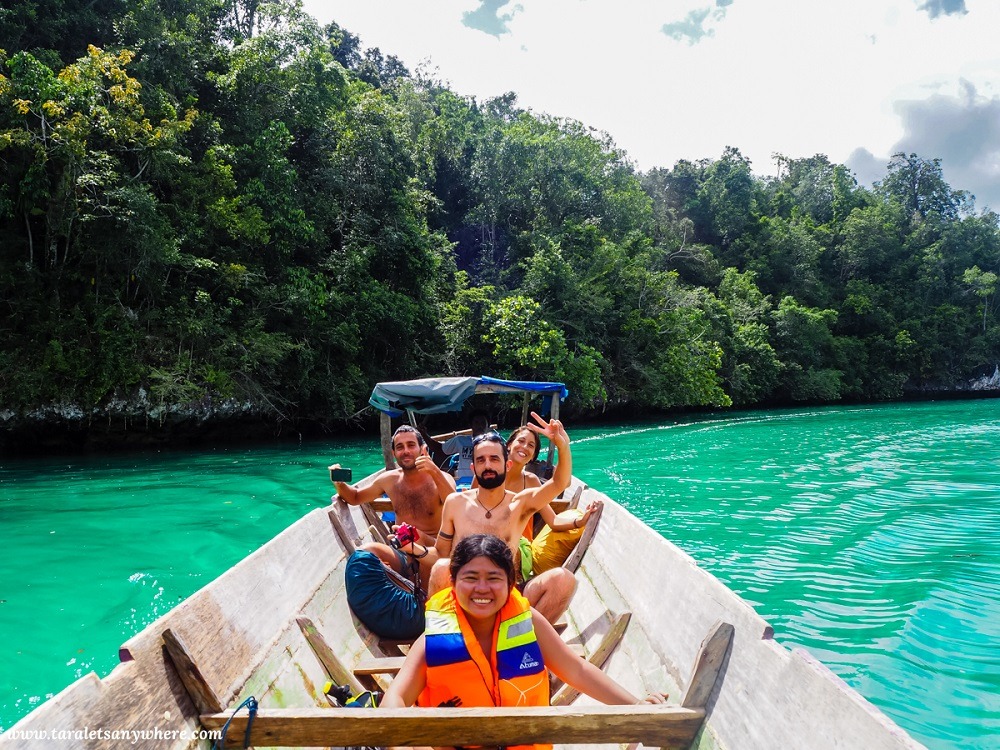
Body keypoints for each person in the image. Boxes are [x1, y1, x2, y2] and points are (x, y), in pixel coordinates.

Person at [381, 534, 668, 724]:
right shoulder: (434, 638)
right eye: (471, 578)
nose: (482, 588)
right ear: (453, 583)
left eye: (494, 578)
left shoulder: (529, 621)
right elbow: (395, 699)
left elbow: (577, 671)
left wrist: (636, 705)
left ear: (510, 584)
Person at [430, 413, 578, 623]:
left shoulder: (520, 504)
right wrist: (413, 549)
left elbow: (560, 483)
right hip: (463, 594)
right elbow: (440, 553)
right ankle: (447, 634)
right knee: (440, 568)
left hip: (506, 594)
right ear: (473, 468)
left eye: (494, 459)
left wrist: (562, 446)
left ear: (506, 465)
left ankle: (521, 637)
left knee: (564, 580)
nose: (488, 465)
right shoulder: (455, 503)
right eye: (481, 460)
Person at [332, 425, 455, 595]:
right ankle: (400, 589)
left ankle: (422, 598)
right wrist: (339, 483)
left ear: (423, 449)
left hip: (435, 552)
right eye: (400, 447)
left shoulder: (441, 478)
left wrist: (434, 470)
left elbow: (456, 505)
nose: (406, 451)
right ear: (394, 453)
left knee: (416, 535)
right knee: (366, 553)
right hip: (402, 550)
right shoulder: (389, 480)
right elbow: (355, 497)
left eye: (411, 445)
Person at [502, 426, 603, 579]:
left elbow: (553, 520)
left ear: (533, 455)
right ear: (509, 445)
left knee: (503, 549)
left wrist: (581, 521)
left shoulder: (531, 482)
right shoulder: (488, 475)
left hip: (517, 549)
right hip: (487, 541)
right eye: (521, 441)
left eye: (531, 445)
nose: (525, 447)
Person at [422, 410, 491, 486]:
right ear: (471, 425)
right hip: (464, 483)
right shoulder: (460, 440)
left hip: (485, 482)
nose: (480, 426)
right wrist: (424, 434)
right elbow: (439, 449)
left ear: (488, 425)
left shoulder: (494, 444)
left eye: (483, 423)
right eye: (476, 423)